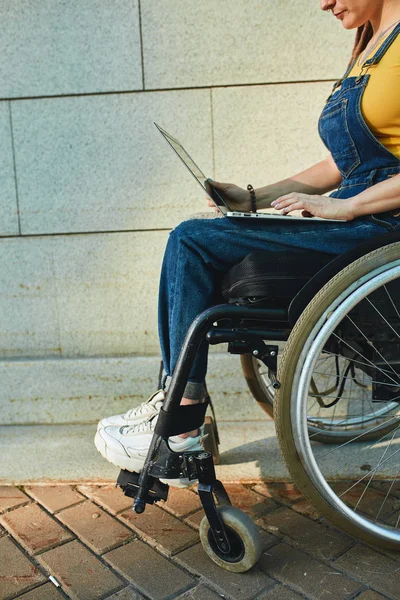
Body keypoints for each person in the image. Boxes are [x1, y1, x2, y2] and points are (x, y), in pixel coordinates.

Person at [95, 0, 400, 485]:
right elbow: (343, 163)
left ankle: (181, 417)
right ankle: (180, 408)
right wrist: (252, 197)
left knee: (193, 241)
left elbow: (360, 185)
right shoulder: (369, 46)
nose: (323, 2)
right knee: (202, 234)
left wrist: (348, 207)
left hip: (381, 228)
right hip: (359, 215)